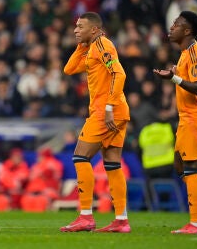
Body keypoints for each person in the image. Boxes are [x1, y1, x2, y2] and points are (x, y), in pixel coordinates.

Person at [153, 11, 197, 234]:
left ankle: (195, 223)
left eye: (176, 24)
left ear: (187, 31)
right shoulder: (185, 54)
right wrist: (176, 73)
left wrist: (173, 78)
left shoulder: (194, 52)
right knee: (180, 165)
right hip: (187, 118)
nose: (171, 27)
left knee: (191, 168)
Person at [59, 12, 131, 233]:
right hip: (116, 112)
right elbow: (69, 69)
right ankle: (121, 219)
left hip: (105, 112)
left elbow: (120, 75)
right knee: (112, 164)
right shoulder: (92, 47)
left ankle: (86, 216)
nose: (75, 30)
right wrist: (82, 45)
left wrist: (108, 107)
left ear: (94, 29)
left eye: (80, 27)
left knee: (80, 156)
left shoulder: (103, 45)